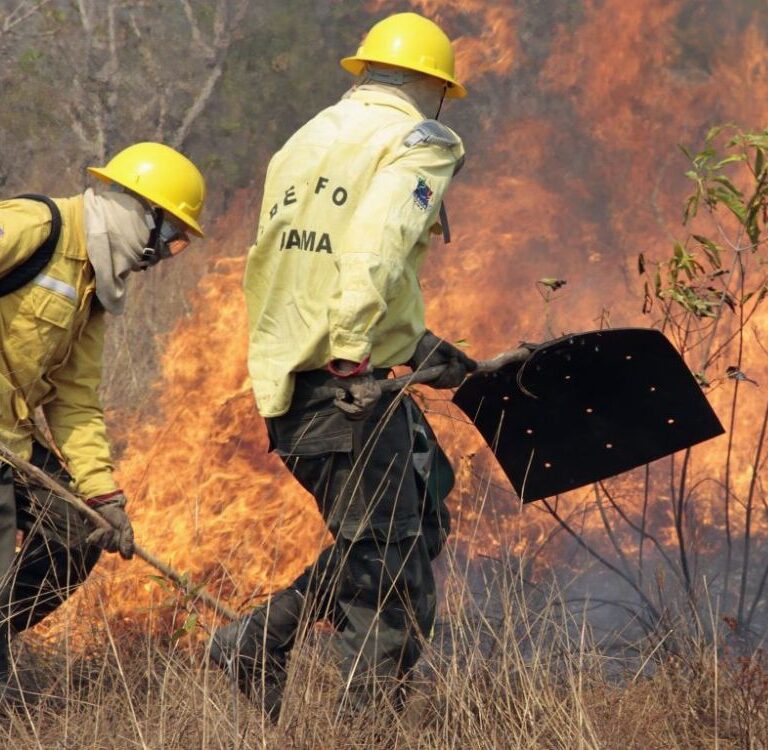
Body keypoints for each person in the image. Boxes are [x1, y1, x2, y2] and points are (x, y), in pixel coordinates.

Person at [212, 12, 480, 716]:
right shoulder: (421, 138)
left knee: (416, 527)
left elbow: (299, 265)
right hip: (344, 386)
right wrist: (354, 352)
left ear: (366, 72)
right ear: (435, 88)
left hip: (296, 384)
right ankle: (366, 729)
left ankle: (258, 634)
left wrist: (414, 344)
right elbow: (378, 241)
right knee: (394, 586)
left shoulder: (307, 140)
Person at [0, 142, 206, 698]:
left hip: (9, 442)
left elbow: (74, 401)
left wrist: (102, 498)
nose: (162, 255)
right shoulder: (34, 228)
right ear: (138, 210)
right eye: (168, 238)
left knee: (75, 534)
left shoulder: (93, 288)